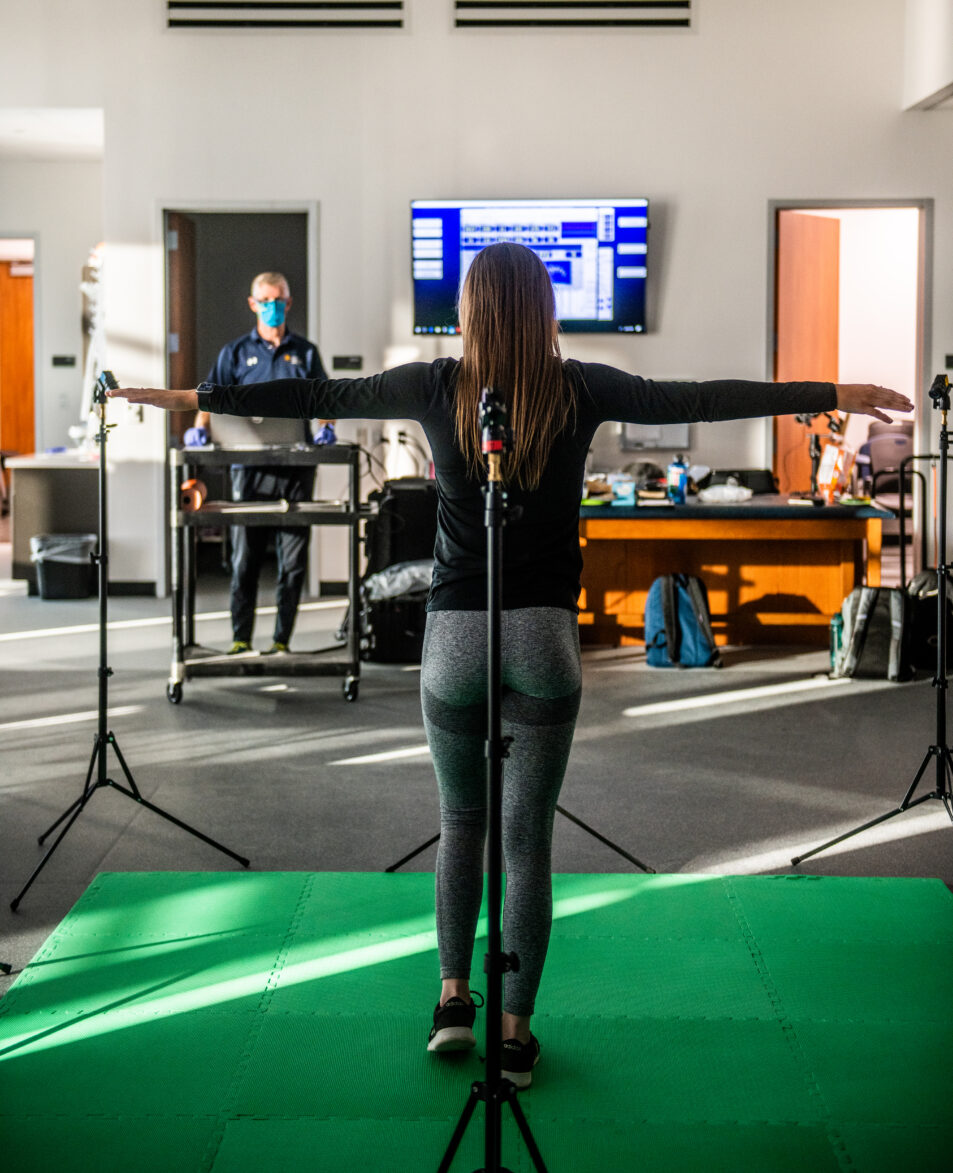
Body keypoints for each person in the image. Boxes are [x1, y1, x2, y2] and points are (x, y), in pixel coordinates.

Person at [114, 242, 912, 1088]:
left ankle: (453, 1001)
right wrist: (836, 393)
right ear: (543, 309)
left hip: (454, 638)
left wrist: (181, 396)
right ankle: (517, 1033)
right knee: (525, 838)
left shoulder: (432, 384)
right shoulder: (582, 386)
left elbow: (313, 393)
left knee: (463, 822)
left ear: (468, 310)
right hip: (544, 640)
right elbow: (706, 397)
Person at [186, 271, 329, 656]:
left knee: (293, 563)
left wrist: (326, 428)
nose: (272, 306)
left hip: (296, 472)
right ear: (252, 304)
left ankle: (282, 640)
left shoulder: (307, 353)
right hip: (248, 472)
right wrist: (199, 429)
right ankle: (240, 639)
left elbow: (327, 402)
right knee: (244, 559)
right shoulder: (233, 353)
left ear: (288, 301)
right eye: (264, 300)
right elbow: (207, 398)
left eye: (278, 299)